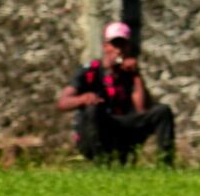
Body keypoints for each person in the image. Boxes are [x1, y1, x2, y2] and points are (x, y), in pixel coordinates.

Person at [58, 21, 176, 165]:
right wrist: (83, 98)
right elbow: (63, 102)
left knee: (162, 111)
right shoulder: (90, 71)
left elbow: (141, 110)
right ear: (106, 46)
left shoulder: (128, 74)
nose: (118, 50)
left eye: (122, 45)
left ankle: (165, 162)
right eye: (115, 45)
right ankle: (100, 162)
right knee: (93, 110)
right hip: (98, 130)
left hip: (122, 127)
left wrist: (136, 75)